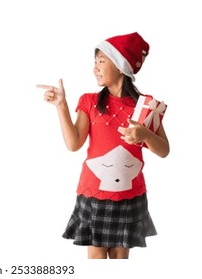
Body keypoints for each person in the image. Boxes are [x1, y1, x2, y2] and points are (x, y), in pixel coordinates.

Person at [37, 32, 169, 259]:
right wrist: (61, 105)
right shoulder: (89, 101)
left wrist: (145, 134)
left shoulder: (144, 106)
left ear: (120, 66)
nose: (95, 68)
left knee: (120, 256)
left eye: (101, 61)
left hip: (129, 197)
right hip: (95, 195)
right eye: (94, 62)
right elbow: (73, 143)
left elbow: (164, 150)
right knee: (96, 257)